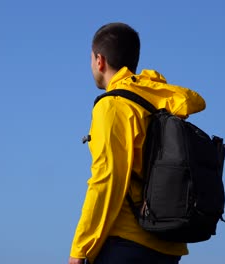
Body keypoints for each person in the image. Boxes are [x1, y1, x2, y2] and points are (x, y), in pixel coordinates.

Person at [68, 22, 207, 264]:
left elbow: (107, 180)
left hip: (125, 243)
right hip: (168, 246)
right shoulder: (157, 101)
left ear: (99, 61)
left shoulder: (112, 106)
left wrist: (80, 250)